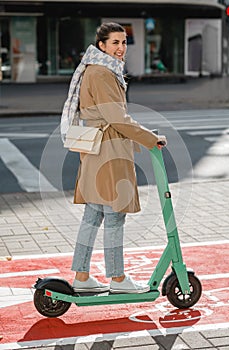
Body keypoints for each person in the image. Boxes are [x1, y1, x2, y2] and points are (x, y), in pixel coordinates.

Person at [61, 22, 167, 294]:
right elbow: (117, 117)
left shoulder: (95, 69)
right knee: (114, 215)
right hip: (109, 150)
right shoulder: (103, 73)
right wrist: (149, 138)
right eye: (115, 43)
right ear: (102, 46)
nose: (121, 48)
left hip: (97, 150)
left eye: (124, 42)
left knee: (93, 215)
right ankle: (118, 280)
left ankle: (82, 276)